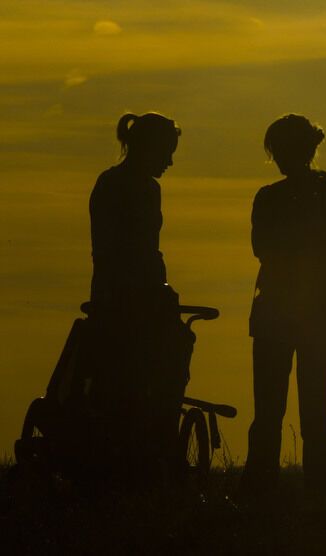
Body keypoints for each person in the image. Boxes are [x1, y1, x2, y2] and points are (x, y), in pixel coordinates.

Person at [241, 114, 326, 500]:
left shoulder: (270, 197)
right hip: (320, 314)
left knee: (269, 409)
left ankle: (261, 490)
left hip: (276, 312)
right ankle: (319, 490)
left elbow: (262, 248)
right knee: (316, 408)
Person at [87, 112, 191, 484]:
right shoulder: (143, 188)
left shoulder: (109, 182)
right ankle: (152, 448)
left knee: (113, 379)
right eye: (167, 152)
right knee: (166, 360)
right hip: (134, 299)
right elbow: (142, 251)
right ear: (150, 148)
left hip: (109, 293)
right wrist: (158, 292)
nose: (170, 161)